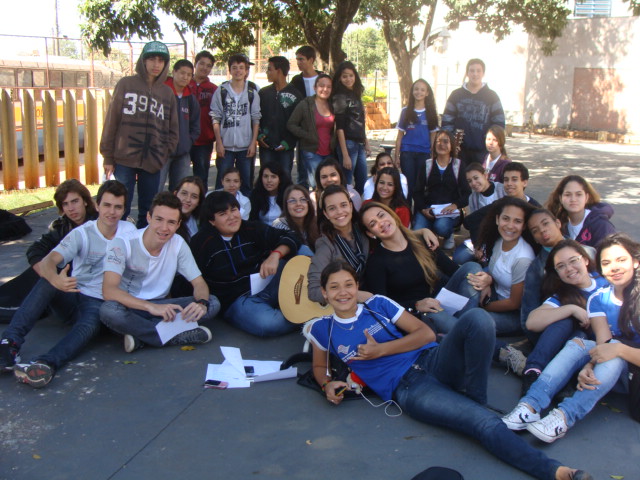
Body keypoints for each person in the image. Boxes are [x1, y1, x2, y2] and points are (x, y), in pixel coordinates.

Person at [303, 260, 593, 480]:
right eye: (334, 287)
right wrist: (326, 383)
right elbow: (319, 365)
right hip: (409, 388)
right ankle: (557, 472)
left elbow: (425, 334)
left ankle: (475, 398)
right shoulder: (321, 329)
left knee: (478, 318)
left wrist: (380, 350)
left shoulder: (377, 304)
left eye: (348, 284)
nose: (343, 292)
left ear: (357, 286)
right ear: (324, 293)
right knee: (483, 423)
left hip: (433, 358)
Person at [502, 233, 639, 444]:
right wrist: (590, 365)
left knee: (614, 351)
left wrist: (618, 350)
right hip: (614, 369)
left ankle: (565, 416)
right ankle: (530, 405)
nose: (614, 267)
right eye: (606, 263)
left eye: (621, 260)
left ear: (635, 262)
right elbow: (603, 345)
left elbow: (612, 349)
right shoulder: (597, 299)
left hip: (634, 374)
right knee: (578, 344)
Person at [1, 181, 136, 388]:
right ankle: (9, 343)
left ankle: (45, 363)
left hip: (100, 301)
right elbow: (49, 261)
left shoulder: (130, 231)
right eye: (107, 205)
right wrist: (56, 279)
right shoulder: (81, 233)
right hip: (74, 292)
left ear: (124, 209)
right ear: (97, 205)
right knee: (48, 281)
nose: (112, 212)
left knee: (90, 323)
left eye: (118, 207)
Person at [100, 192, 220, 352]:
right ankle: (175, 335)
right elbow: (108, 290)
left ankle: (141, 337)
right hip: (130, 306)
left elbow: (199, 283)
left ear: (178, 224)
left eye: (171, 222)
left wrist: (202, 304)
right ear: (149, 217)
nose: (164, 228)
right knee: (109, 311)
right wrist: (149, 307)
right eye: (159, 219)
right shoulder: (123, 243)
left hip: (163, 307)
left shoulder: (178, 243)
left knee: (212, 302)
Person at [189, 191, 300, 337]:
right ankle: (306, 316)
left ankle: (305, 302)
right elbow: (192, 278)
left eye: (234, 210)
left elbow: (292, 236)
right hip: (238, 301)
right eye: (223, 214)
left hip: (266, 283)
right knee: (269, 324)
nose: (232, 217)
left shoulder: (250, 228)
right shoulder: (202, 242)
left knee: (303, 252)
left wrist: (275, 255)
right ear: (212, 221)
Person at [361, 202, 479, 334]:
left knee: (472, 267)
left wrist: (482, 280)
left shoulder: (421, 239)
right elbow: (383, 305)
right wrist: (416, 305)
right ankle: (472, 327)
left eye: (381, 215)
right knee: (472, 325)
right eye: (373, 223)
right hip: (422, 313)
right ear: (371, 234)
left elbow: (452, 269)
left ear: (392, 215)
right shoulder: (376, 262)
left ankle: (468, 325)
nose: (381, 223)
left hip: (443, 298)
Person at [100, 40, 179, 228]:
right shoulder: (126, 84)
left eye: (161, 60)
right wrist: (108, 156)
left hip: (153, 160)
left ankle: (143, 243)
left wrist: (163, 153)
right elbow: (112, 120)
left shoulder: (167, 93)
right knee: (120, 207)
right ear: (143, 61)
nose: (156, 64)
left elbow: (173, 129)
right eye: (152, 59)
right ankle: (116, 243)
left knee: (148, 209)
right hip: (124, 159)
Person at [0, 179, 98, 322]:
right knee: (41, 269)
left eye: (75, 201)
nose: (71, 208)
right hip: (62, 280)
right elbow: (36, 249)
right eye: (65, 204)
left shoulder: (99, 222)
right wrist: (48, 274)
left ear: (85, 201)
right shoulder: (62, 225)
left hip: (88, 286)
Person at [520, 240, 608, 395]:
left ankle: (561, 382)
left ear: (585, 260)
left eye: (573, 261)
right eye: (561, 266)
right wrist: (571, 308)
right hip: (578, 348)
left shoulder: (605, 280)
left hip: (605, 348)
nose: (569, 269)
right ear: (557, 273)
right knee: (566, 323)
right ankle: (533, 371)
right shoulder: (563, 296)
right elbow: (532, 322)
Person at [459, 197, 536, 335]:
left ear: (524, 226)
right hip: (494, 296)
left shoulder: (523, 259)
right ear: (497, 219)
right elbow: (496, 271)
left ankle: (454, 327)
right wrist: (488, 281)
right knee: (471, 270)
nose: (510, 226)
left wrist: (484, 307)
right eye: (506, 218)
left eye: (517, 221)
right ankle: (457, 324)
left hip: (514, 314)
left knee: (475, 321)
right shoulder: (499, 240)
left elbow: (514, 303)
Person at [308, 185, 370, 304]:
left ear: (351, 206)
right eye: (332, 208)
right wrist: (354, 294)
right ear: (326, 214)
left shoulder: (364, 231)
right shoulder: (325, 244)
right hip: (347, 305)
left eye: (343, 205)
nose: (339, 211)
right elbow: (313, 291)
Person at [211, 53, 261, 195]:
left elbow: (256, 119)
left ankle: (245, 208)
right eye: (234, 67)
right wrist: (219, 143)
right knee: (222, 182)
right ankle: (220, 206)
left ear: (246, 71)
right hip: (225, 146)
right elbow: (216, 118)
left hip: (245, 147)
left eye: (241, 68)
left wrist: (253, 143)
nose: (238, 71)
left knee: (246, 183)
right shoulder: (221, 91)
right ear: (230, 70)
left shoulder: (252, 92)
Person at [413, 130, 470, 249]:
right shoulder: (427, 165)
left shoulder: (458, 165)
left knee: (442, 227)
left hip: (448, 210)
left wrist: (455, 205)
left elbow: (467, 193)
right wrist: (423, 209)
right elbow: (417, 191)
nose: (441, 144)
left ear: (451, 145)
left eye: (445, 141)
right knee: (417, 232)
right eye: (438, 141)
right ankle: (431, 231)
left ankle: (448, 234)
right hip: (428, 208)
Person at [441, 58, 505, 165]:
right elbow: (447, 121)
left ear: (483, 73)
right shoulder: (456, 95)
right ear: (467, 73)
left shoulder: (492, 96)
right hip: (460, 151)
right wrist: (450, 142)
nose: (475, 74)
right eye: (472, 70)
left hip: (483, 151)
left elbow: (499, 123)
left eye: (478, 71)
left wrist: (492, 143)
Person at [394, 79, 439, 203]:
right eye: (416, 89)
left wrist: (433, 155)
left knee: (420, 186)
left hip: (424, 154)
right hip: (407, 153)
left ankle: (419, 211)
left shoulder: (431, 112)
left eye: (422, 90)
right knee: (408, 185)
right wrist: (396, 156)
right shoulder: (405, 111)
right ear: (412, 91)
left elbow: (433, 136)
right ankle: (407, 211)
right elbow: (400, 136)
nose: (419, 92)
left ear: (427, 93)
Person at [287, 74, 335, 189]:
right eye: (321, 86)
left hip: (329, 151)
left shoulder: (333, 105)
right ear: (315, 87)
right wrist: (306, 135)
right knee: (317, 184)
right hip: (311, 151)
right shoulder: (306, 104)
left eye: (329, 87)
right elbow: (291, 124)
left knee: (329, 185)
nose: (325, 89)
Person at [159, 59, 201, 192]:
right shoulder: (161, 93)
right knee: (156, 189)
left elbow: (195, 125)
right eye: (182, 73)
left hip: (182, 153)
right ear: (174, 72)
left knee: (180, 191)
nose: (185, 77)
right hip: (161, 152)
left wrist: (187, 142)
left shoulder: (190, 98)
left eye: (189, 75)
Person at [452, 162, 506, 264]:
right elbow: (474, 224)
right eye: (469, 181)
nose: (473, 183)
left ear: (485, 175)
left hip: (501, 236)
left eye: (476, 178)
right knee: (459, 257)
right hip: (484, 236)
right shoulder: (473, 198)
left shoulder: (501, 189)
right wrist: (478, 246)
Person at [258, 56, 302, 174]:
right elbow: (256, 118)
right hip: (266, 146)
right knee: (266, 178)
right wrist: (259, 135)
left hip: (285, 148)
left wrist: (288, 142)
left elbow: (299, 123)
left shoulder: (296, 94)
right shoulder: (263, 93)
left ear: (279, 71)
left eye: (269, 69)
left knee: (284, 179)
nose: (267, 72)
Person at [546, 175, 616, 249]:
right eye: (568, 195)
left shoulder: (601, 225)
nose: (573, 199)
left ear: (586, 197)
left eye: (578, 194)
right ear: (560, 198)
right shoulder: (560, 225)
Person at [332, 61, 370, 193]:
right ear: (339, 78)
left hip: (359, 143)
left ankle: (358, 204)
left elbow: (360, 121)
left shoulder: (355, 94)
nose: (348, 79)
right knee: (347, 182)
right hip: (348, 143)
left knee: (363, 181)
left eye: (351, 75)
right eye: (344, 76)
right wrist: (345, 154)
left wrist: (366, 142)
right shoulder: (339, 97)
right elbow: (339, 128)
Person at [290, 45, 324, 187]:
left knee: (321, 168)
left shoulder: (323, 78)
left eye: (301, 59)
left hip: (322, 129)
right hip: (304, 131)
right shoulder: (296, 81)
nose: (298, 62)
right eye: (297, 59)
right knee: (303, 171)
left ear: (311, 60)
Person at [189, 51, 218, 189]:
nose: (204, 68)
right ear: (195, 64)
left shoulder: (214, 89)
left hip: (204, 141)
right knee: (179, 178)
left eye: (208, 65)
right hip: (183, 140)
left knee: (201, 178)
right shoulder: (184, 84)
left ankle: (201, 202)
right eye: (202, 64)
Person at [272, 184, 319, 254]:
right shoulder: (279, 224)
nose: (298, 204)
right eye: (292, 201)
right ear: (286, 205)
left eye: (303, 199)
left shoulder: (316, 222)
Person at [173, 176, 206, 241]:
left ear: (199, 202)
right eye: (184, 193)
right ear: (175, 194)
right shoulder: (166, 220)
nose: (188, 199)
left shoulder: (200, 221)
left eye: (194, 196)